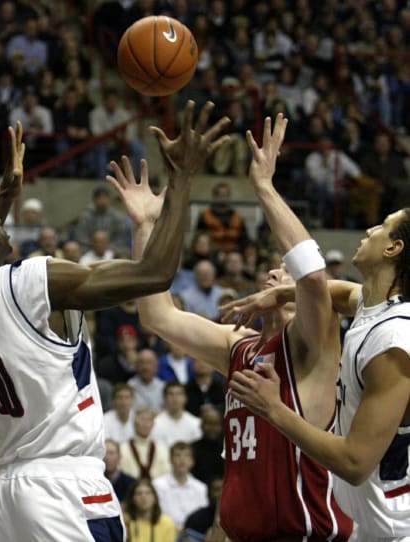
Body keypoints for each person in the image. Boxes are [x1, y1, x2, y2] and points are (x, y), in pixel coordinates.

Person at [0, 103, 231, 541]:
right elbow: (154, 274)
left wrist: (5, 197)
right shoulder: (31, 283)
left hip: (6, 493)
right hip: (64, 486)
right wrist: (181, 177)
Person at [117, 113, 353, 540]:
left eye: (287, 272)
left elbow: (313, 277)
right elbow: (157, 315)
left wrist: (263, 186)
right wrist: (145, 225)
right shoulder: (239, 347)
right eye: (276, 270)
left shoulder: (310, 347)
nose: (278, 273)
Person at [227, 209, 410, 540]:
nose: (370, 228)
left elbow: (355, 464)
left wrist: (274, 409)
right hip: (374, 528)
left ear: (392, 248)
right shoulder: (376, 309)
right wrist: (282, 293)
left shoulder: (394, 341)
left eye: (382, 226)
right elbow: (339, 293)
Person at [152, 442, 208, 531]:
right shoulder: (157, 485)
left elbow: (203, 516)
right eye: (177, 455)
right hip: (166, 532)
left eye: (186, 456)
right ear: (170, 460)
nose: (182, 460)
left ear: (192, 461)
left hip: (194, 535)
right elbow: (156, 514)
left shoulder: (201, 488)